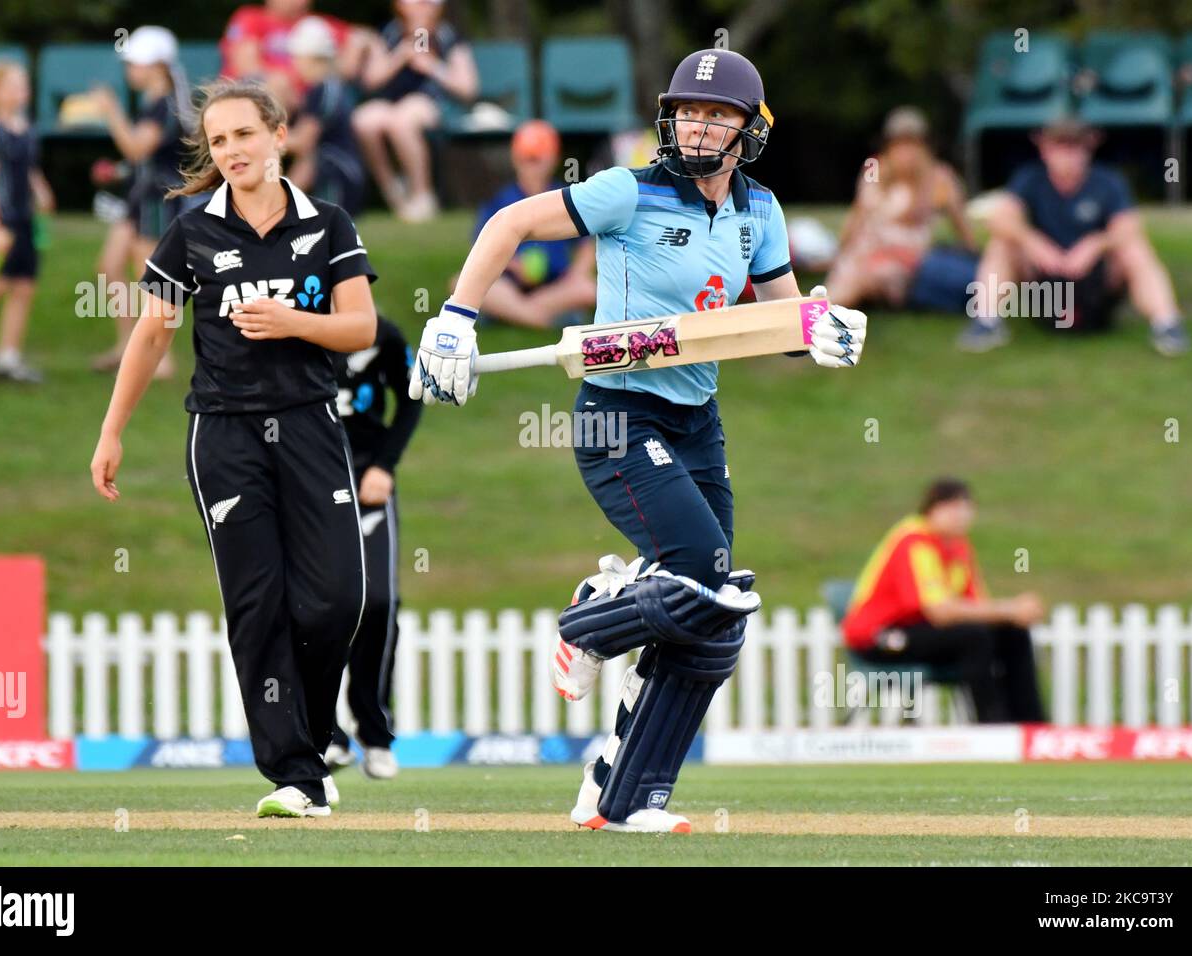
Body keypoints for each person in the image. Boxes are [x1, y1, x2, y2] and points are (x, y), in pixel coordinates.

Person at [409, 49, 868, 833]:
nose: (696, 125)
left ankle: (624, 796)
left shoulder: (761, 211)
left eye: (716, 115)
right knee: (695, 573)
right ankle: (589, 621)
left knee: (718, 612)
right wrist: (457, 316)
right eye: (688, 111)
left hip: (696, 420)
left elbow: (780, 318)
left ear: (750, 130)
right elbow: (512, 221)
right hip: (615, 413)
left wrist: (822, 329)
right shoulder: (629, 189)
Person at [90, 80, 379, 819]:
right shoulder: (191, 232)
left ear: (279, 134)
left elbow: (360, 330)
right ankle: (295, 775)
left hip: (313, 424)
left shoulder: (331, 223)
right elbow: (151, 334)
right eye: (218, 142)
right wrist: (111, 430)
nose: (232, 152)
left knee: (338, 598)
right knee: (258, 604)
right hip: (223, 433)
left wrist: (291, 322)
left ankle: (314, 732)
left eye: (244, 135)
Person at [959, 116, 1189, 356]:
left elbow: (1129, 227)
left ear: (1088, 146)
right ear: (1044, 148)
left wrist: (1095, 244)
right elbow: (1000, 219)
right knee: (1002, 244)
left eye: (1074, 146)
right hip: (1045, 285)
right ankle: (986, 322)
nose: (1067, 155)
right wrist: (1033, 242)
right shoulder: (1028, 179)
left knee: (1135, 247)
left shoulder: (1108, 182)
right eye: (1059, 145)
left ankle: (1167, 324)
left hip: (1095, 284)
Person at [841, 478, 1047, 724]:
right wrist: (1011, 608)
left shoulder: (958, 547)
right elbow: (939, 611)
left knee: (1012, 632)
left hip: (927, 634)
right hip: (882, 638)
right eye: (951, 508)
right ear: (931, 510)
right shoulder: (914, 541)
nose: (960, 515)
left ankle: (1031, 725)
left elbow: (976, 605)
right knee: (974, 636)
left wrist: (1011, 615)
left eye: (965, 507)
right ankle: (992, 725)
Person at [324, 315, 422, 780]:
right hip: (309, 481)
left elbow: (410, 397)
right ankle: (324, 731)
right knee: (317, 606)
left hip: (367, 480)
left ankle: (374, 730)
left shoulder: (382, 333)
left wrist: (385, 464)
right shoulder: (290, 322)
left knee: (379, 600)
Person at [90, 26, 193, 378]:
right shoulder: (155, 103)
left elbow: (137, 147)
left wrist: (111, 111)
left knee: (152, 277)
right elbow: (145, 158)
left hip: (156, 200)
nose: (130, 70)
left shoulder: (163, 106)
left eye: (137, 63)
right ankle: (127, 347)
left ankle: (160, 358)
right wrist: (120, 172)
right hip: (140, 195)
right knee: (109, 267)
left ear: (158, 66)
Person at [825, 107, 977, 311]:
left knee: (865, 276)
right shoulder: (874, 170)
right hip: (867, 251)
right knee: (850, 274)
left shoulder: (939, 178)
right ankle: (819, 311)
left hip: (907, 261)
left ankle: (821, 314)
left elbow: (962, 227)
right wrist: (839, 253)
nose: (906, 153)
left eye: (912, 144)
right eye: (900, 145)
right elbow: (858, 216)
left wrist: (973, 256)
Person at [453, 120, 596, 329]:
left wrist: (578, 273)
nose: (532, 167)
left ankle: (511, 313)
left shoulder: (565, 196)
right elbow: (480, 247)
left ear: (553, 159)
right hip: (509, 283)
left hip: (555, 286)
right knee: (460, 283)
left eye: (537, 159)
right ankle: (539, 318)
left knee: (588, 289)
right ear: (515, 159)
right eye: (527, 159)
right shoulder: (500, 199)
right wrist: (515, 265)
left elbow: (587, 244)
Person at [0, 59, 55, 384]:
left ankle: (8, 357)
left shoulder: (26, 128)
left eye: (24, 85)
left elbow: (28, 169)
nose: (21, 92)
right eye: (13, 86)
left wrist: (40, 189)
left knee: (23, 287)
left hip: (23, 221)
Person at [354, 0, 478, 222]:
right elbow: (370, 81)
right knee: (364, 120)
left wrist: (432, 66)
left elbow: (468, 88)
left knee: (403, 119)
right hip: (391, 103)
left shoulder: (447, 36)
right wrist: (400, 56)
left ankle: (422, 195)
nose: (422, 8)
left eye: (428, 3)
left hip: (433, 105)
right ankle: (392, 189)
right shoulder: (390, 34)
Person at [221, 0, 372, 111]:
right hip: (250, 100)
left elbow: (360, 37)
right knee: (278, 85)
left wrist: (352, 56)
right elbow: (248, 68)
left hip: (307, 107)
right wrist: (289, 86)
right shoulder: (251, 18)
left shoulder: (314, 24)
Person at [285, 16, 366, 216]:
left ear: (310, 58)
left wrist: (260, 139)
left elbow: (303, 142)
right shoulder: (331, 86)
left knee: (314, 156)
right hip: (345, 174)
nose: (294, 64)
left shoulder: (322, 90)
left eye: (296, 57)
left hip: (338, 177)